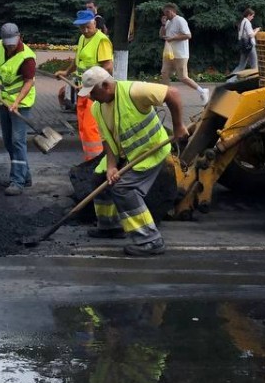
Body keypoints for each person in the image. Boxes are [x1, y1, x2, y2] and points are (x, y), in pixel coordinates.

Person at [78, 66, 189, 257]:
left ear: (105, 85)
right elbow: (107, 140)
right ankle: (110, 227)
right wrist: (111, 166)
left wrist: (178, 126)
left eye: (93, 93)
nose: (91, 98)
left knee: (124, 189)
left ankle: (150, 239)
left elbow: (173, 93)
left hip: (149, 152)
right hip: (124, 154)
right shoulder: (98, 107)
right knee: (100, 179)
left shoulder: (134, 91)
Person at [0, 21, 36, 196]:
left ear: (19, 37)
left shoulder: (27, 57)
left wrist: (17, 102)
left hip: (22, 103)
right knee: (8, 141)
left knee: (18, 141)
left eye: (13, 43)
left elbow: (29, 82)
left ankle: (17, 181)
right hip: (4, 101)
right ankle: (25, 175)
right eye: (8, 44)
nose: (10, 47)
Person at [55, 10, 114, 160]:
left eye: (88, 26)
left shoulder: (102, 40)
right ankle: (90, 158)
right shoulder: (82, 38)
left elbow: (108, 67)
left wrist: (91, 83)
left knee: (90, 127)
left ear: (94, 23)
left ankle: (97, 162)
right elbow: (78, 60)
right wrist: (67, 72)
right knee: (83, 126)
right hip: (83, 90)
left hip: (95, 91)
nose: (85, 30)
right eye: (82, 28)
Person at [159, 4, 209, 104]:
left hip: (181, 54)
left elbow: (188, 35)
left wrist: (173, 38)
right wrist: (163, 25)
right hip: (169, 53)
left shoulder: (180, 20)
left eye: (167, 12)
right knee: (164, 73)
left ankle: (202, 91)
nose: (165, 14)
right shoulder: (168, 22)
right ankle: (167, 97)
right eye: (164, 12)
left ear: (173, 11)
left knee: (183, 77)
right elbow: (161, 35)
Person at [234, 7, 260, 72]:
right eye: (252, 16)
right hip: (250, 46)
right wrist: (257, 30)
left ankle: (230, 80)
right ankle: (255, 81)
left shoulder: (243, 21)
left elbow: (245, 33)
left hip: (243, 46)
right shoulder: (247, 22)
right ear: (249, 15)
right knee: (254, 66)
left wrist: (253, 30)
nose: (253, 18)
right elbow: (251, 35)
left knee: (241, 66)